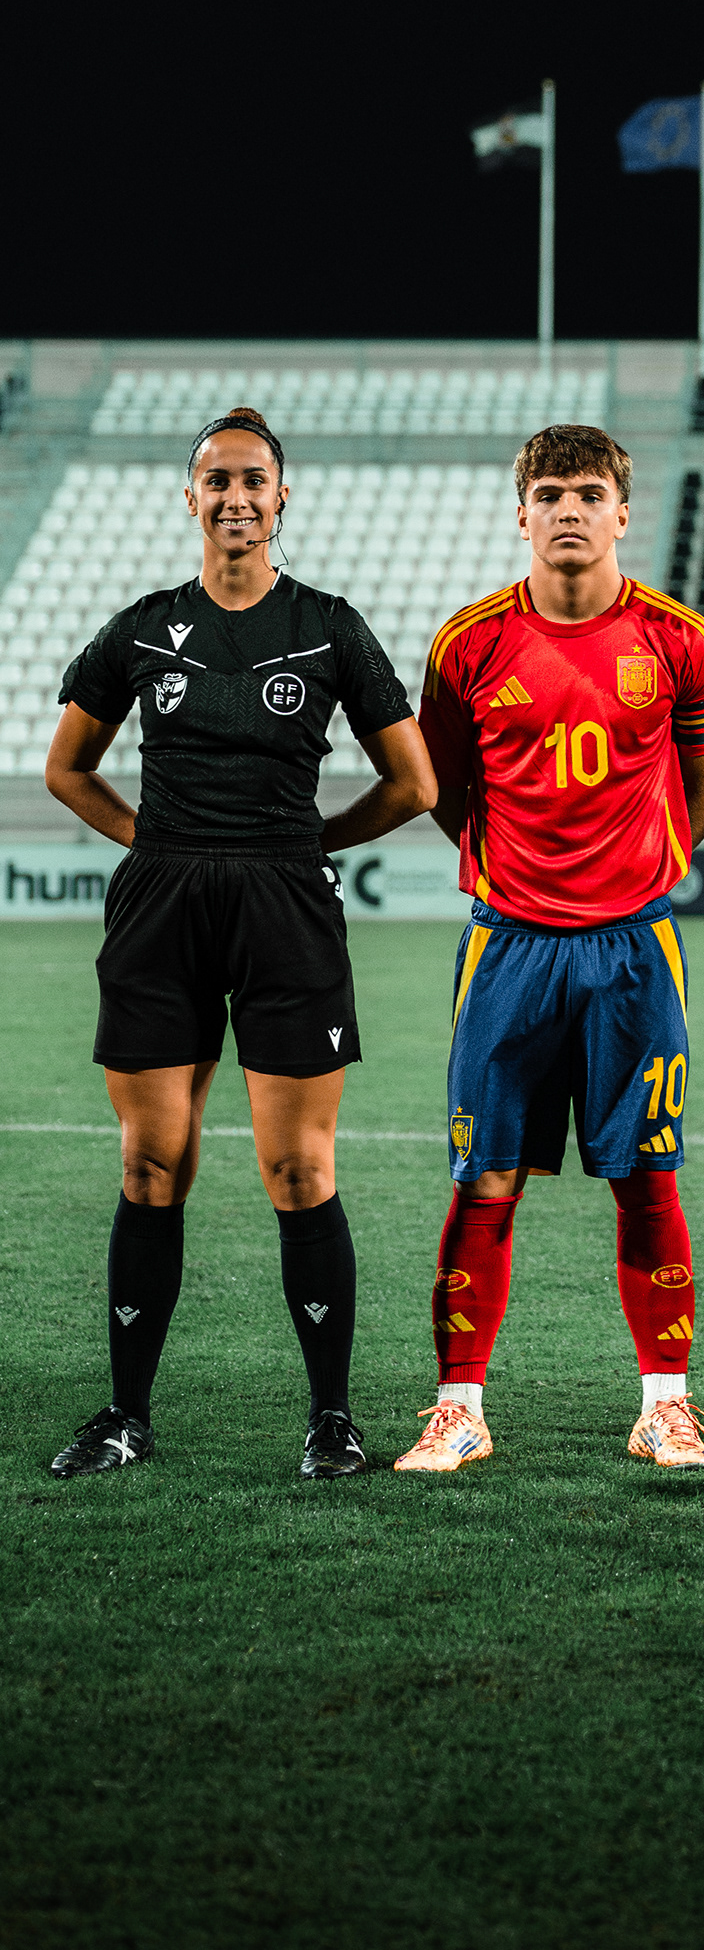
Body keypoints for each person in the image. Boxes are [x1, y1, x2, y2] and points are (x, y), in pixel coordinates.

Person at [46, 409, 435, 1481]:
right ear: (191, 499)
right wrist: (151, 840)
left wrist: (310, 843)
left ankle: (331, 1420)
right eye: (216, 480)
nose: (235, 497)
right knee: (151, 1161)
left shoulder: (329, 626)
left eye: (253, 479)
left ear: (281, 496)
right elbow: (67, 767)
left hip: (284, 907)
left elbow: (414, 783)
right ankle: (126, 1415)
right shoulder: (142, 628)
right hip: (162, 906)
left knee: (298, 1168)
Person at [394, 424, 704, 1476]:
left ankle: (666, 1409)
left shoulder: (680, 640)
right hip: (509, 949)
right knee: (486, 1180)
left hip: (634, 947)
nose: (570, 511)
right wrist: (515, 868)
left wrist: (651, 860)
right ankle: (458, 1410)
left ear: (622, 512)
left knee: (647, 1180)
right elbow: (443, 787)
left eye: (589, 493)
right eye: (550, 494)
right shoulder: (467, 644)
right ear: (523, 514)